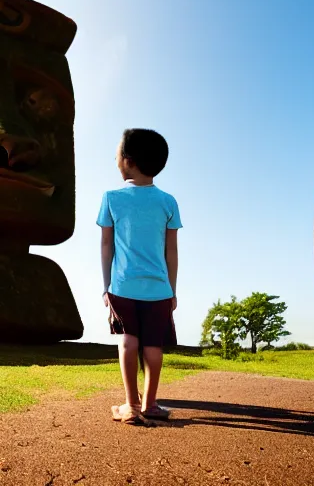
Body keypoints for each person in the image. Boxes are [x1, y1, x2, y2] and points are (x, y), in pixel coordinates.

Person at [96, 128, 182, 424]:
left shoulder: (111, 198)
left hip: (122, 285)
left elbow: (107, 246)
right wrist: (172, 290)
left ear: (128, 161)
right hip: (159, 288)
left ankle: (131, 406)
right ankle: (151, 404)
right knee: (154, 345)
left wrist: (106, 286)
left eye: (117, 154)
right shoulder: (168, 202)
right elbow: (172, 252)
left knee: (127, 340)